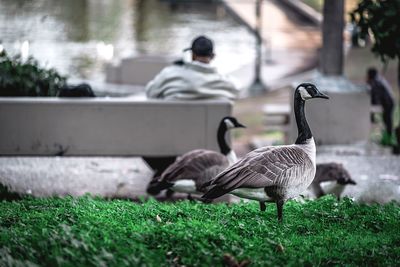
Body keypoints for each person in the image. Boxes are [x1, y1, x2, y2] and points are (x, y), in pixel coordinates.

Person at [145, 36, 239, 100]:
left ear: (192, 55)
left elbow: (150, 92)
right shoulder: (226, 83)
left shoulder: (169, 75)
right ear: (213, 56)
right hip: (211, 130)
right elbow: (237, 91)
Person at [366, 67, 395, 145]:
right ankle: (386, 138)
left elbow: (375, 96)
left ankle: (389, 138)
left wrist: (372, 109)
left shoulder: (376, 82)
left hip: (388, 103)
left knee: (387, 120)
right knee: (386, 120)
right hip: (388, 102)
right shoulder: (378, 80)